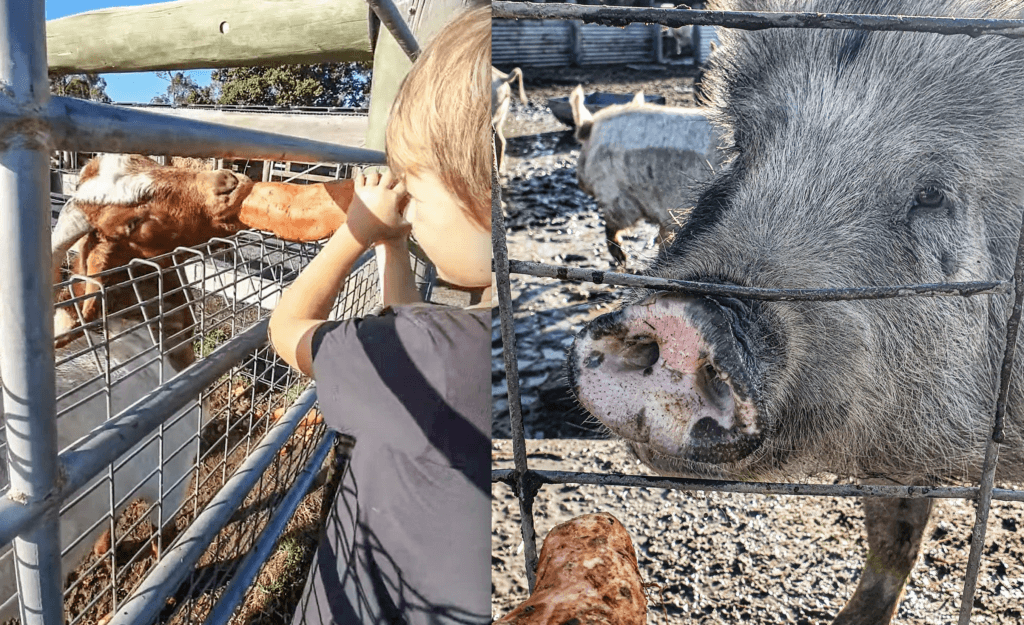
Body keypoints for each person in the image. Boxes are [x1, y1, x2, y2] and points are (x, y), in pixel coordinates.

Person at [269, 5, 492, 624]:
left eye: (417, 193)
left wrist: (356, 232)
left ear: (481, 197)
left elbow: (285, 330)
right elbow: (413, 330)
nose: (410, 213)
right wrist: (396, 245)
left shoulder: (430, 353)